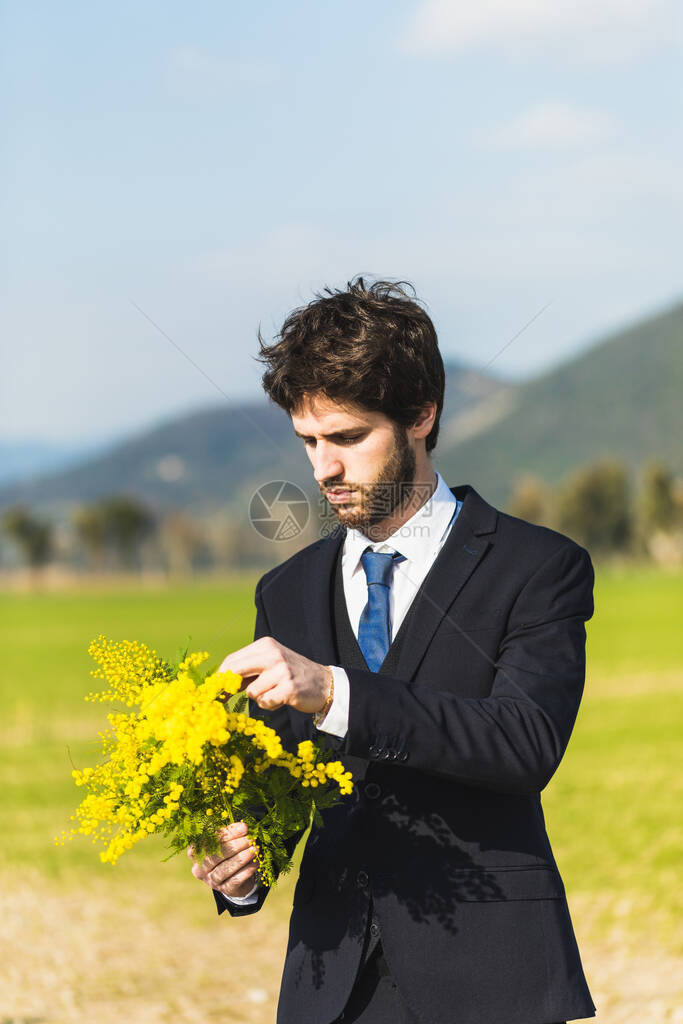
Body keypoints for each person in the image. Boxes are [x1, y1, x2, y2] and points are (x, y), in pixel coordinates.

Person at [189, 277, 596, 1024]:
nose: (322, 470)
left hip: (493, 977)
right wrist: (242, 867)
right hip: (330, 984)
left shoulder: (539, 566)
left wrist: (336, 693)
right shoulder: (285, 591)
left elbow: (524, 743)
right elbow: (283, 784)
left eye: (346, 438)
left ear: (420, 414)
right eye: (308, 441)